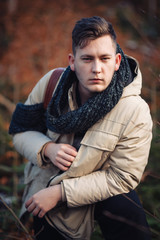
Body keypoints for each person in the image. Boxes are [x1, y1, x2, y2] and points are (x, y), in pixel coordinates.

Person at [9, 16, 152, 240]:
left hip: (101, 193)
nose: (97, 68)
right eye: (87, 59)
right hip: (48, 192)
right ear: (72, 61)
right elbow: (19, 130)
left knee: (127, 206)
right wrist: (47, 149)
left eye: (104, 59)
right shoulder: (52, 84)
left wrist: (60, 192)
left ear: (116, 61)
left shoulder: (135, 110)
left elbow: (123, 177)